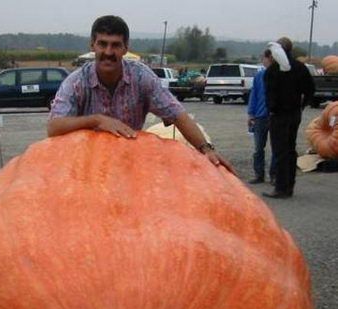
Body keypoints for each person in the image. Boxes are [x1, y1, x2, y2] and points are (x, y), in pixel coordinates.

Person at [48, 15, 234, 173]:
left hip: (130, 166)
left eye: (115, 45)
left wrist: (206, 149)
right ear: (92, 45)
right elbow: (54, 127)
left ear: (125, 48)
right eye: (102, 44)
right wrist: (96, 120)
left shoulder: (141, 77)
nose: (108, 52)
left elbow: (177, 114)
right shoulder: (76, 82)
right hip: (84, 167)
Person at [262, 37, 315, 198]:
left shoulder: (272, 71)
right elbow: (310, 89)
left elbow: (269, 94)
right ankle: (289, 185)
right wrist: (302, 104)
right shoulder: (300, 68)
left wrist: (272, 109)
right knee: (290, 150)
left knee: (280, 151)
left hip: (279, 115)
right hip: (294, 114)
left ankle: (280, 187)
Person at [247, 49, 276, 184]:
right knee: (258, 148)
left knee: (276, 148)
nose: (262, 60)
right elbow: (254, 95)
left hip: (275, 116)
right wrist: (251, 113)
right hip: (260, 116)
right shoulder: (259, 76)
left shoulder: (279, 75)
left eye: (263, 58)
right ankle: (259, 174)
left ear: (269, 58)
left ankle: (274, 175)